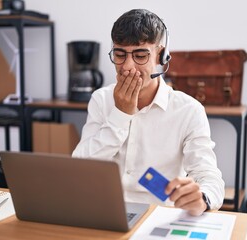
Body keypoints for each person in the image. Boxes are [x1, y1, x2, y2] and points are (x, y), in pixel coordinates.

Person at [72, 9, 224, 216]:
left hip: (158, 216)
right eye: (119, 54)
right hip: (105, 211)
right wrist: (121, 115)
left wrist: (203, 198)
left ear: (161, 56)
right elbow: (79, 168)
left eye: (140, 55)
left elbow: (208, 175)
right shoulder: (101, 99)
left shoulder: (189, 110)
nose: (127, 67)